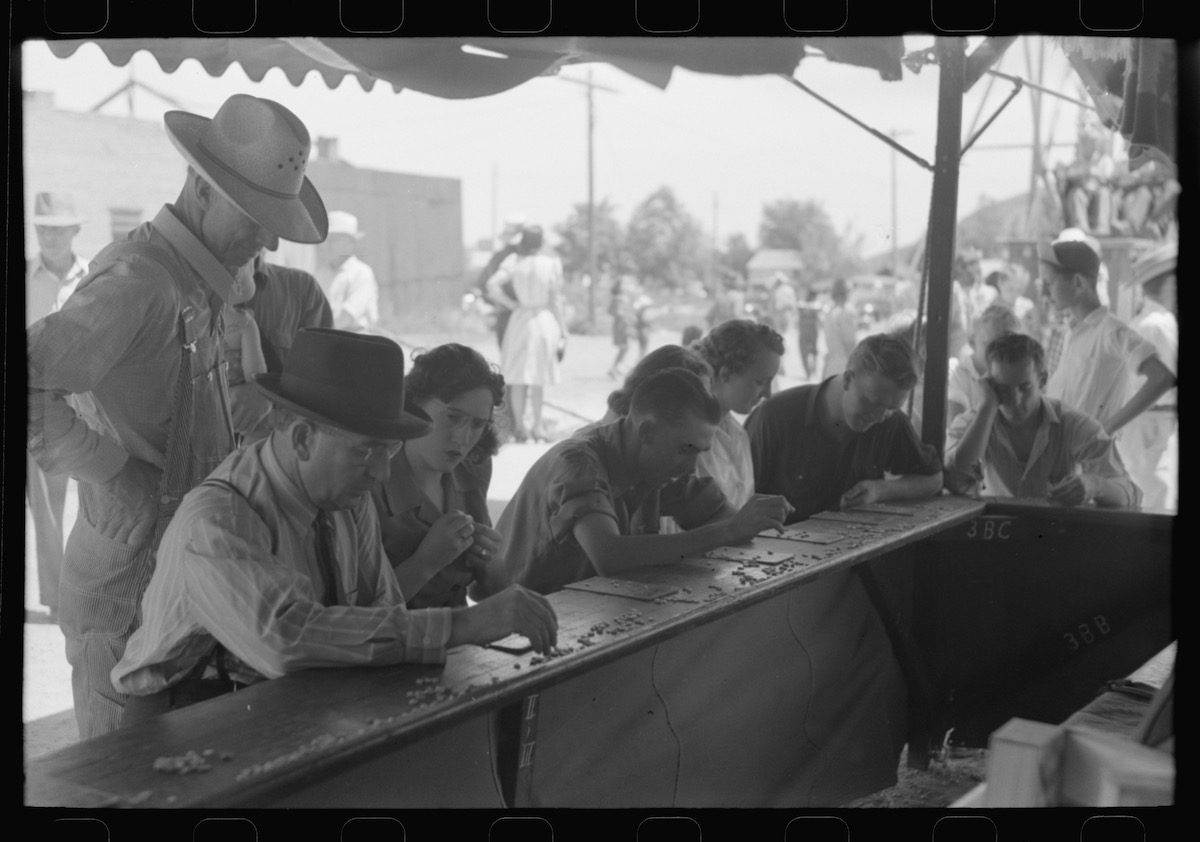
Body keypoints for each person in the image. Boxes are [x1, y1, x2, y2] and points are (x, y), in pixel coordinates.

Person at [27, 93, 329, 739]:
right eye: (255, 216)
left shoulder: (205, 282)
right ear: (199, 188)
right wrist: (113, 472)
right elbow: (27, 380)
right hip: (126, 599)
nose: (269, 237)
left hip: (181, 594)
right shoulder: (140, 280)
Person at [114, 329, 559, 724]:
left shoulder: (348, 498)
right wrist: (461, 625)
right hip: (185, 716)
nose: (383, 473)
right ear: (304, 438)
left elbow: (384, 610)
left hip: (282, 699)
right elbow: (285, 640)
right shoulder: (217, 521)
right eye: (367, 451)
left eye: (389, 451)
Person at [472, 368, 793, 597]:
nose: (691, 465)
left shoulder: (664, 464)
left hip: (580, 610)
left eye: (700, 451)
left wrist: (752, 521)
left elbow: (724, 518)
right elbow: (610, 555)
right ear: (646, 432)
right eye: (686, 449)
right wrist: (727, 531)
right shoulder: (577, 463)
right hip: (513, 622)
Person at [747, 333, 943, 522]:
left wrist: (880, 490)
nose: (879, 417)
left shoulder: (890, 421)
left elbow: (933, 479)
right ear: (849, 379)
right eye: (872, 402)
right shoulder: (774, 418)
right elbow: (736, 505)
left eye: (891, 408)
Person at [373, 344, 507, 608]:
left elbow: (490, 590)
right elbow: (357, 614)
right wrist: (425, 563)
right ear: (412, 405)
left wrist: (489, 562)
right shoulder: (374, 476)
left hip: (463, 640)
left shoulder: (473, 468)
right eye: (452, 417)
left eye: (478, 425)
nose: (463, 438)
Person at [945, 333, 1139, 508]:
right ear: (989, 385)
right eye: (1003, 389)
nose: (1015, 400)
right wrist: (987, 408)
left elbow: (1127, 492)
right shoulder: (974, 421)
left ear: (1043, 380)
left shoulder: (1072, 424)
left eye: (1025, 387)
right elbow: (956, 480)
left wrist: (1094, 485)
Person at [26, 191, 91, 622]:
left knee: (65, 498)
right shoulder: (23, 273)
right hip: (27, 394)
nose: (50, 237)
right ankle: (54, 597)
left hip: (70, 400)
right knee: (38, 501)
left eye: (58, 229)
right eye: (43, 229)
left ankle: (66, 596)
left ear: (75, 231)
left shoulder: (91, 278)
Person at [1039, 232, 1176, 437]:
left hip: (1092, 459)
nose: (1044, 293)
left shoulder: (1111, 330)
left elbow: (1162, 378)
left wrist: (1106, 428)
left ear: (1078, 283)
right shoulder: (1073, 332)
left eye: (1049, 283)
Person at [227, 250, 335, 444]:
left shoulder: (302, 290)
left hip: (274, 448)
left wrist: (264, 394)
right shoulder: (183, 289)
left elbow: (325, 389)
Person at [689, 319, 784, 509]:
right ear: (725, 374)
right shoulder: (688, 441)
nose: (768, 393)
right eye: (760, 382)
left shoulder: (738, 435)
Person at [486, 224, 568, 443]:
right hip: (542, 318)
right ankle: (537, 427)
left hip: (520, 318)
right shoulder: (551, 264)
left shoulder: (514, 261)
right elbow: (555, 299)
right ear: (541, 242)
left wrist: (511, 304)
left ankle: (520, 427)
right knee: (538, 376)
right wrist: (563, 329)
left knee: (518, 375)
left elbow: (492, 285)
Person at [1116, 242, 1178, 510]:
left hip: (1152, 425)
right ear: (1169, 284)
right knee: (1157, 498)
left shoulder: (1155, 322)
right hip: (1153, 426)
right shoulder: (1157, 326)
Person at [946, 304, 1022, 428]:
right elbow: (956, 427)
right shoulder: (958, 372)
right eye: (991, 345)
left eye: (1009, 347)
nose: (1001, 352)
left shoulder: (1016, 374)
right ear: (972, 341)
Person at [320, 210, 379, 333]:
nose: (329, 245)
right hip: (329, 338)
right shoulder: (322, 273)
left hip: (357, 340)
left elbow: (346, 317)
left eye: (334, 240)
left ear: (351, 243)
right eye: (327, 240)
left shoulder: (362, 273)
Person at [820, 278, 858, 379]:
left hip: (831, 366)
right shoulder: (845, 314)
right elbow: (850, 343)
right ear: (845, 294)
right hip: (844, 366)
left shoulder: (828, 313)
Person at [608, 275, 636, 379]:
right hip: (621, 325)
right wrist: (625, 317)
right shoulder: (619, 298)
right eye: (625, 284)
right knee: (624, 347)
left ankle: (618, 366)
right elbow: (614, 312)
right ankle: (614, 368)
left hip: (623, 324)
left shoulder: (620, 297)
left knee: (625, 347)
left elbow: (612, 311)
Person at [797, 288, 821, 380]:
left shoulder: (814, 305)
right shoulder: (802, 305)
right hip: (808, 332)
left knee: (811, 352)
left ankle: (811, 371)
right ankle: (809, 372)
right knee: (807, 353)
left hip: (810, 332)